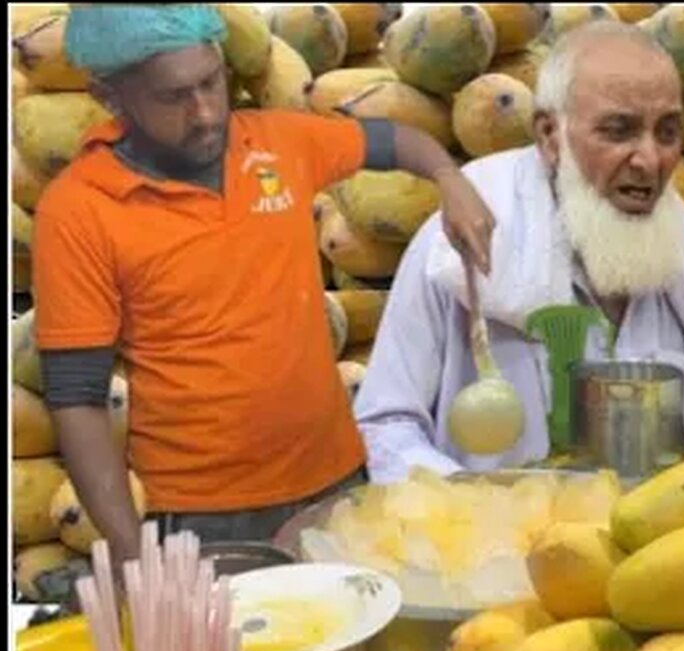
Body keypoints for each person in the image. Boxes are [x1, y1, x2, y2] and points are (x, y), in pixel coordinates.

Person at [31, 5, 496, 559]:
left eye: (211, 83)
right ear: (110, 98)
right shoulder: (80, 211)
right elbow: (77, 400)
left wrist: (449, 178)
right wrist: (132, 554)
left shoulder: (278, 143)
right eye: (173, 97)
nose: (204, 113)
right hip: (205, 517)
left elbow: (395, 141)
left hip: (339, 482)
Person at [354, 21, 684, 481]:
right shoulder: (458, 240)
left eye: (668, 132)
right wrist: (475, 504)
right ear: (549, 135)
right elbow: (384, 426)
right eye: (619, 131)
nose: (649, 160)